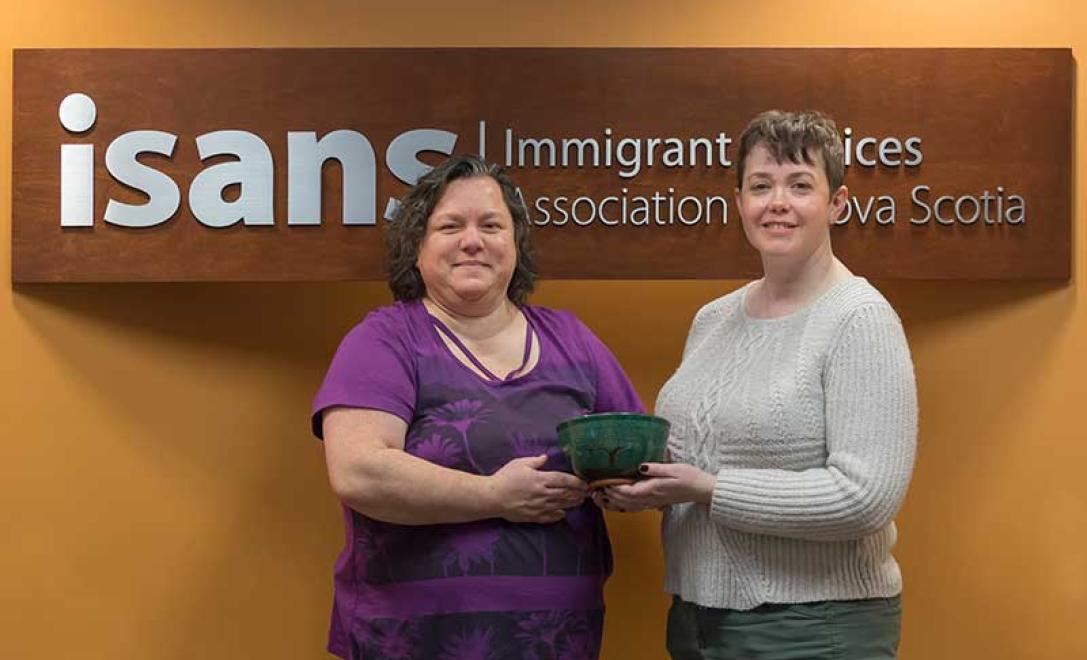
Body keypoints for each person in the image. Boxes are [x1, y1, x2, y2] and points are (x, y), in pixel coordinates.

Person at [598, 110, 918, 659]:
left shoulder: (859, 318)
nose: (778, 203)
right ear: (740, 201)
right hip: (697, 625)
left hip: (815, 629)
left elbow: (865, 498)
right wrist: (646, 485)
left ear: (837, 203)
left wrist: (705, 487)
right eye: (761, 185)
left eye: (800, 186)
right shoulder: (713, 318)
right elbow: (701, 461)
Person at [312, 154, 643, 660]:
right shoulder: (384, 341)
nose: (473, 240)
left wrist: (631, 483)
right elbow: (360, 473)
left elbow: (633, 449)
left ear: (515, 244)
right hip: (411, 644)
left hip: (557, 642)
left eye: (492, 225)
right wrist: (494, 496)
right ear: (417, 247)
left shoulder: (572, 340)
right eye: (450, 226)